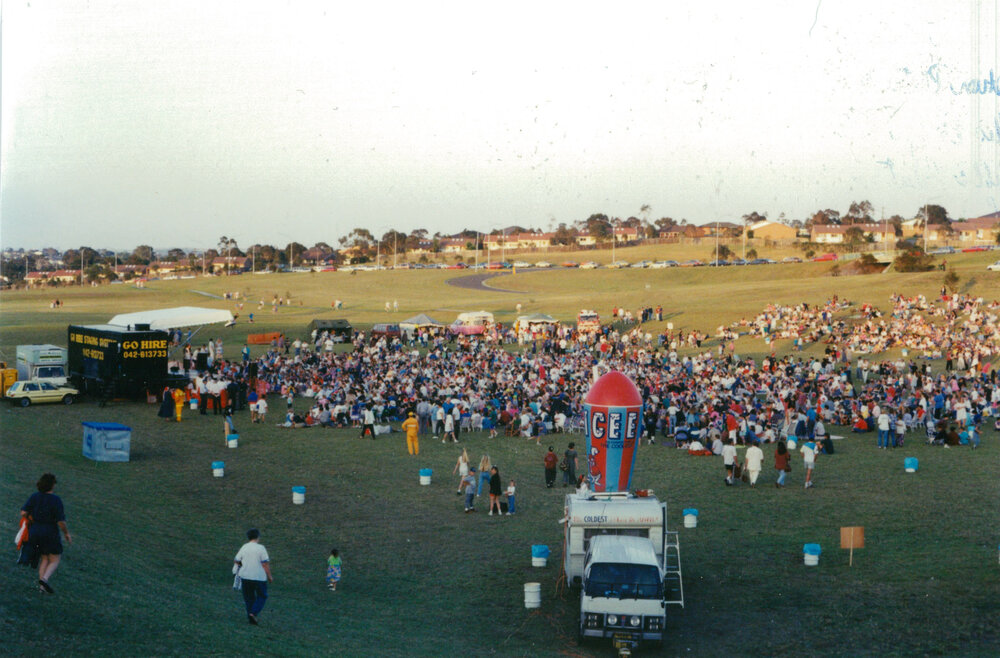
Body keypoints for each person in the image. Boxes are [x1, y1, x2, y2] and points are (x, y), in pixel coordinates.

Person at [20, 473, 72, 594]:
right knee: (55, 559)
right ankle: (45, 579)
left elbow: (23, 512)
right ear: (52, 485)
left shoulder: (35, 496)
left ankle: (41, 588)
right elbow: (60, 521)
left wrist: (31, 518)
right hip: (50, 532)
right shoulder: (56, 500)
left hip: (35, 531)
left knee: (44, 558)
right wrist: (66, 533)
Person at [234, 528, 273, 625]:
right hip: (258, 577)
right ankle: (253, 613)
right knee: (262, 595)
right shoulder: (261, 548)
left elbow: (236, 560)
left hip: (245, 576)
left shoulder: (244, 547)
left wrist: (243, 565)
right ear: (258, 537)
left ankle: (250, 616)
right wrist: (269, 576)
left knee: (248, 597)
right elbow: (265, 564)